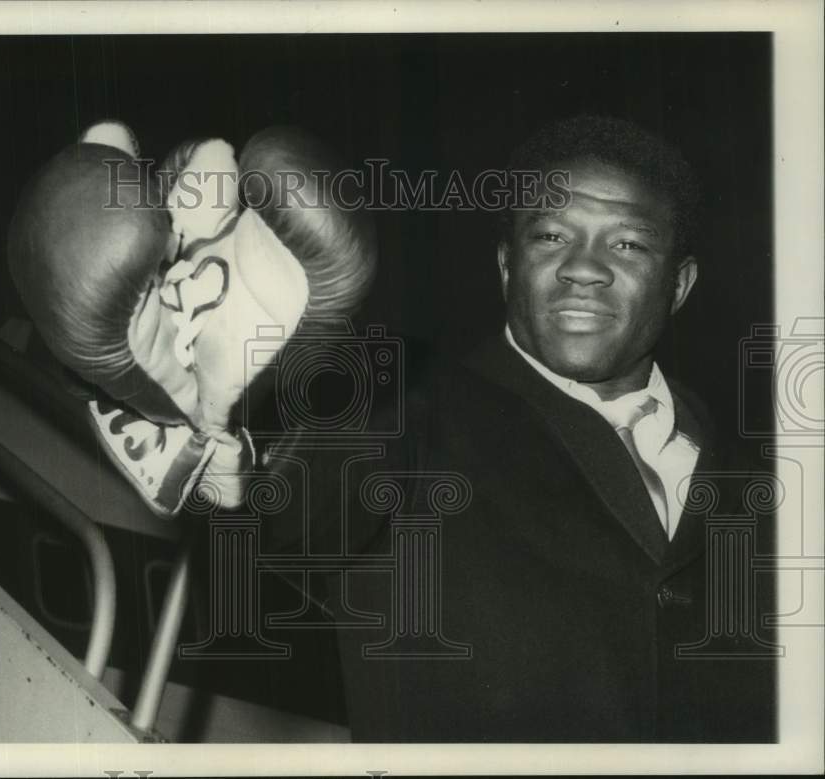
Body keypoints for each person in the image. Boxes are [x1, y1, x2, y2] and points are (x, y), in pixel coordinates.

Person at [270, 115, 777, 742]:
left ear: (679, 284)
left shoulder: (771, 483)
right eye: (552, 236)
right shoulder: (403, 416)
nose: (583, 268)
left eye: (628, 244)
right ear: (508, 265)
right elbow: (281, 509)